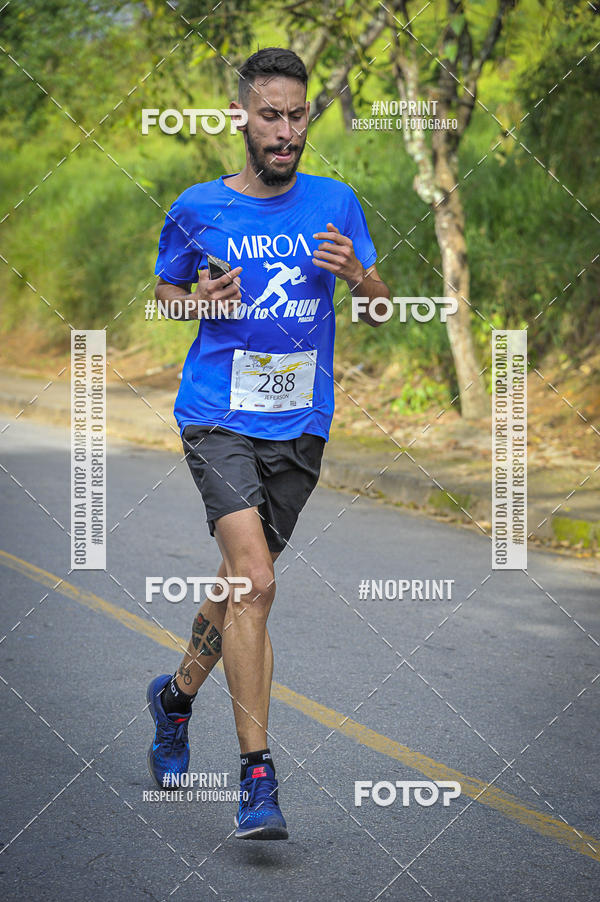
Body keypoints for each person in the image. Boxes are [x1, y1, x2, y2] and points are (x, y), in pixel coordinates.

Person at [147, 46, 390, 841]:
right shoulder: (196, 207)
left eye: (298, 115)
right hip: (216, 414)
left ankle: (175, 698)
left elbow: (385, 310)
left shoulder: (337, 202)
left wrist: (360, 277)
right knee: (256, 581)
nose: (286, 131)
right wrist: (198, 306)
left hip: (300, 424)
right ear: (241, 118)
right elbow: (165, 296)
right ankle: (258, 779)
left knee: (237, 583)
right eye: (271, 116)